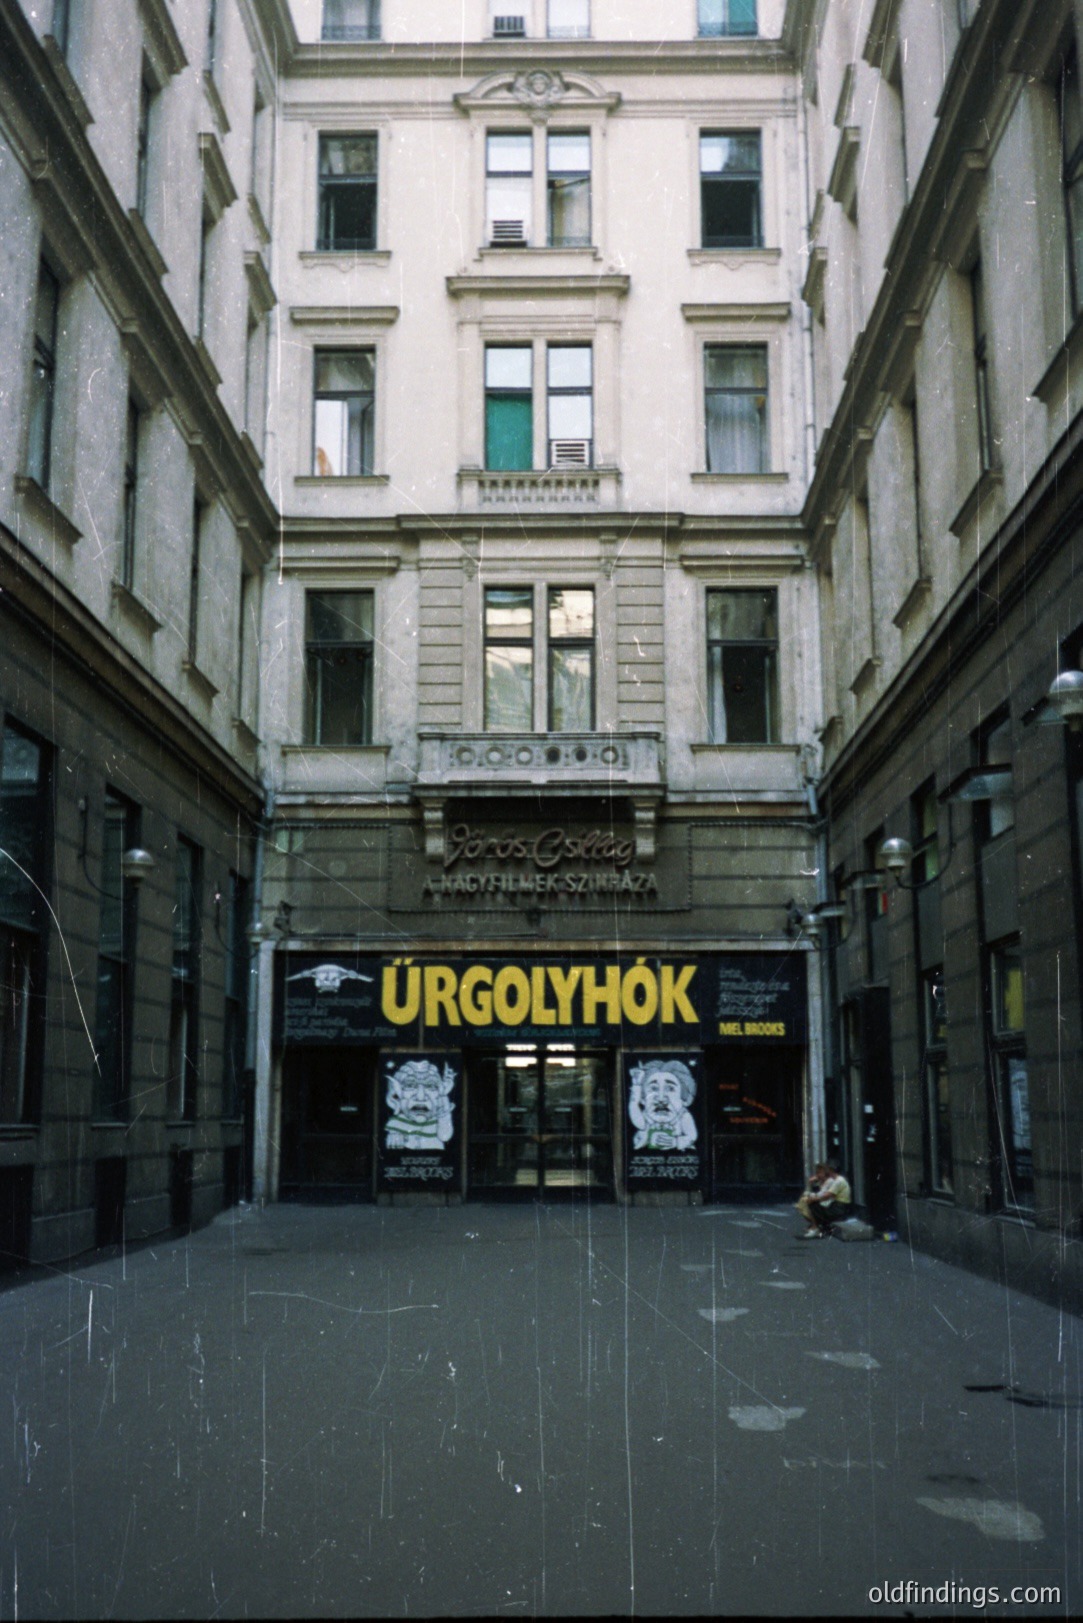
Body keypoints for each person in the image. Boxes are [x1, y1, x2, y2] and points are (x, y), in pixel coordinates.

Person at [802, 1161, 852, 1236]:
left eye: (828, 1171)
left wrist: (812, 1199)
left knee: (814, 1206)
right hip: (839, 1206)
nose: (827, 1173)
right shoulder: (838, 1180)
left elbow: (827, 1195)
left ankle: (815, 1228)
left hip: (839, 1208)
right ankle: (817, 1227)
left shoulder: (838, 1181)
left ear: (831, 1171)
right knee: (817, 1205)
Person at [795, 1164, 827, 1234]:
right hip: (821, 1199)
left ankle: (815, 1225)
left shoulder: (828, 1182)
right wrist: (811, 1183)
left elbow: (823, 1194)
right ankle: (814, 1223)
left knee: (807, 1202)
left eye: (820, 1173)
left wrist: (811, 1196)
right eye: (817, 1173)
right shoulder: (820, 1181)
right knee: (802, 1201)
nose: (818, 1175)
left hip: (827, 1202)